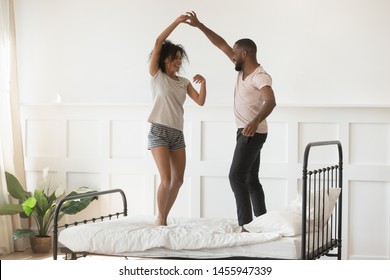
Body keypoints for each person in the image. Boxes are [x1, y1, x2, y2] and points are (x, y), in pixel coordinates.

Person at [186, 11, 276, 227]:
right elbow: (221, 44)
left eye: (235, 53)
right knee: (250, 179)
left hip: (252, 132)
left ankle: (246, 225)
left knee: (235, 176)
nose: (232, 56)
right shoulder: (241, 69)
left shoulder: (260, 76)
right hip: (246, 131)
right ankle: (262, 222)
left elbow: (271, 101)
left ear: (244, 54)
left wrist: (254, 121)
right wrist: (200, 25)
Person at [148, 14, 207, 226]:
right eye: (175, 57)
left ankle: (163, 216)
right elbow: (158, 42)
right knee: (166, 179)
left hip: (177, 134)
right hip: (159, 131)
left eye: (180, 58)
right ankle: (161, 219)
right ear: (165, 58)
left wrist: (204, 83)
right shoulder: (157, 75)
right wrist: (176, 22)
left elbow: (199, 101)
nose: (179, 62)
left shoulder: (183, 82)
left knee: (178, 181)